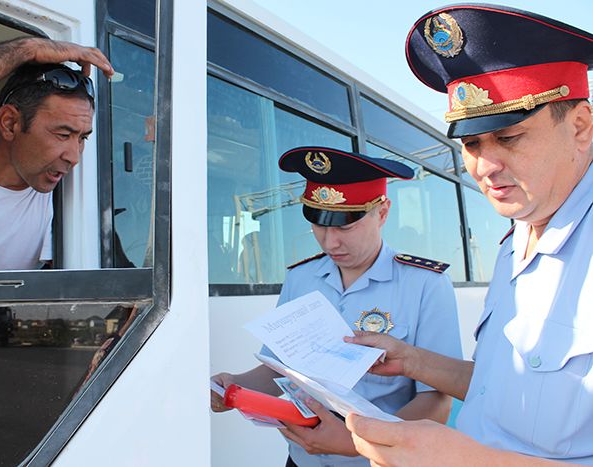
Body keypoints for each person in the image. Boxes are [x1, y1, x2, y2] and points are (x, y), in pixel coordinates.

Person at [343, 5, 593, 466]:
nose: (485, 167)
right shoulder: (518, 237)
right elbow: (506, 392)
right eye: (472, 144)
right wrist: (413, 361)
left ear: (579, 126)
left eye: (509, 137)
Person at [211, 146, 462, 467]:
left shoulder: (425, 284)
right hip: (302, 460)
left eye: (345, 227)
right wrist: (232, 384)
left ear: (382, 212)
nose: (330, 242)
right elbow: (277, 368)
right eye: (319, 225)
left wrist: (360, 442)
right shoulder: (301, 278)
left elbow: (437, 401)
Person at [0, 37, 114, 270]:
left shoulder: (69, 197)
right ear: (10, 123)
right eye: (63, 135)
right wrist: (27, 49)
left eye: (82, 138)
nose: (74, 157)